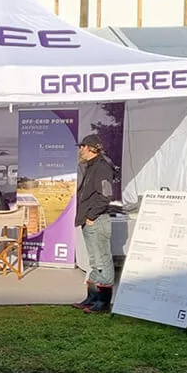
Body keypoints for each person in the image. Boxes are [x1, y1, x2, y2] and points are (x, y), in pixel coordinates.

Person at [72, 134, 116, 313]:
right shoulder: (89, 166)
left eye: (82, 146)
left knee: (102, 259)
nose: (80, 150)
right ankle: (91, 298)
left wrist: (91, 216)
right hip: (90, 220)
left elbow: (105, 196)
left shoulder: (102, 167)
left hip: (97, 220)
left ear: (90, 148)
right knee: (94, 260)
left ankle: (103, 302)